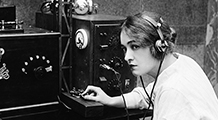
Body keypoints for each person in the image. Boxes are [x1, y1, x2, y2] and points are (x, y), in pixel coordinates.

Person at [81, 11, 218, 120]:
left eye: (134, 46)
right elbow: (146, 96)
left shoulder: (174, 92)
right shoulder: (181, 62)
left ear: (158, 46)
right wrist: (110, 100)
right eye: (124, 49)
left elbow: (168, 94)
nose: (126, 57)